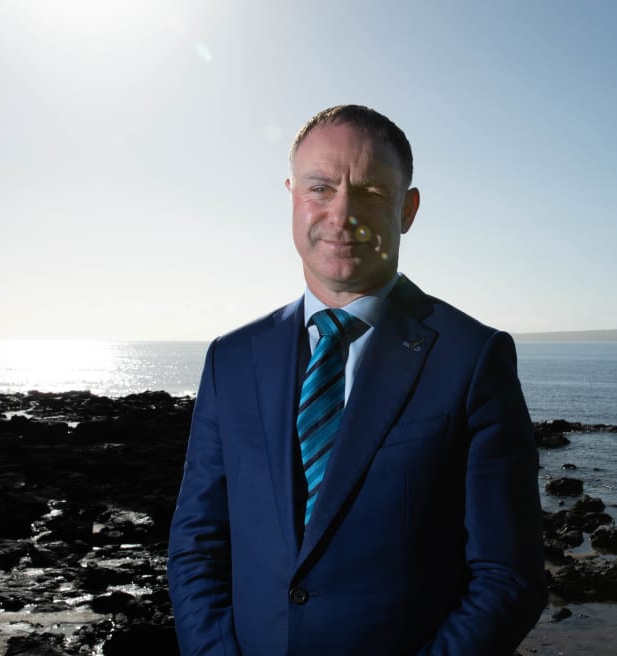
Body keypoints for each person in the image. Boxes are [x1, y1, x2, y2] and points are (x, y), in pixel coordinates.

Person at [168, 104, 546, 655]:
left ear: (408, 209)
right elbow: (197, 545)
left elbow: (507, 575)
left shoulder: (473, 357)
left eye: (370, 192)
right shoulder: (231, 359)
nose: (342, 214)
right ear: (292, 196)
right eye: (320, 188)